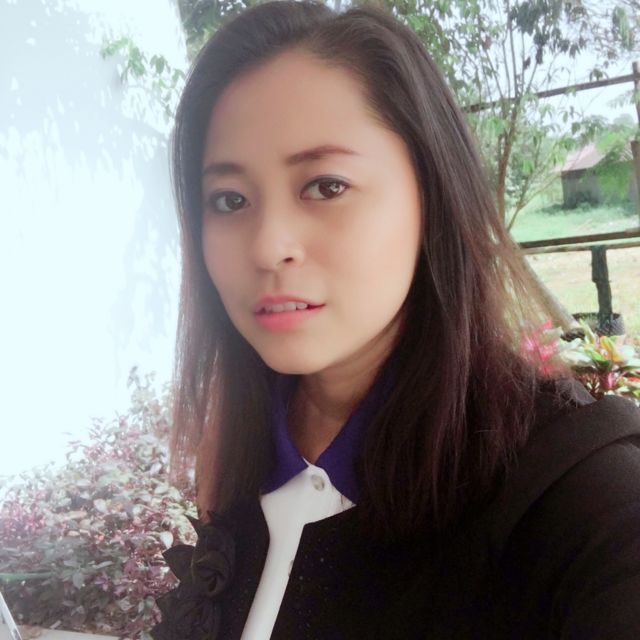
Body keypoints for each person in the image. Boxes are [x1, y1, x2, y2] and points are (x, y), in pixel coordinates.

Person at [150, 2, 640, 638]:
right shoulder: (243, 456)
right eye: (230, 199)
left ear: (432, 193)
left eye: (326, 186)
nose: (267, 246)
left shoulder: (579, 502)